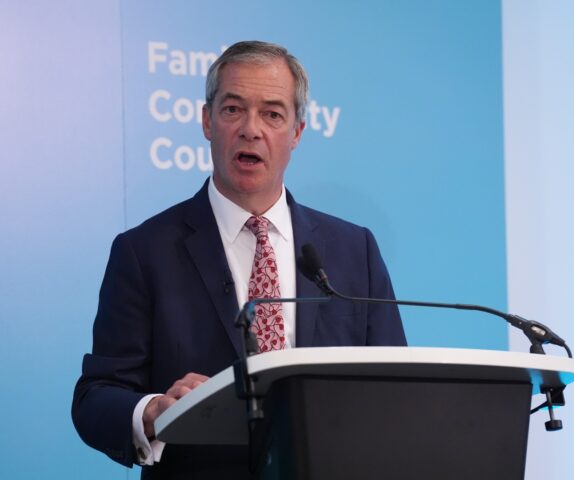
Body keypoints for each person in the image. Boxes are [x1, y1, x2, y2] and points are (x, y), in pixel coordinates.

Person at [72, 40, 406, 479]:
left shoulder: (353, 250)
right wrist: (152, 411)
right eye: (233, 109)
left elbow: (396, 390)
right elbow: (97, 395)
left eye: (272, 113)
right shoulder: (144, 251)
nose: (252, 129)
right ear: (207, 121)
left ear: (297, 132)